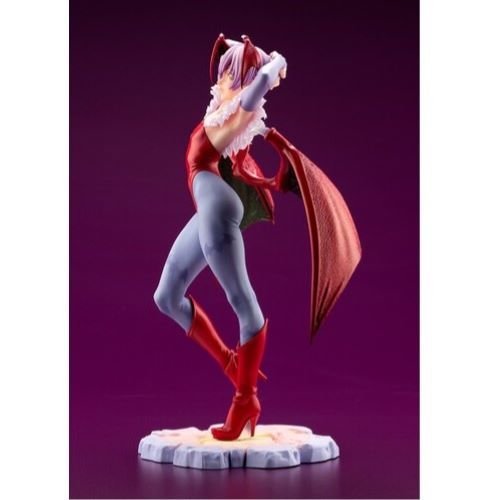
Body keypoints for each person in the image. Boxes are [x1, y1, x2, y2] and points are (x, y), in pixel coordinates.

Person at [153, 34, 288, 441]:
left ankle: (245, 399)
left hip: (216, 210)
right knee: (166, 296)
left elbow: (249, 105)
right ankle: (233, 364)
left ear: (242, 83)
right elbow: (238, 85)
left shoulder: (230, 123)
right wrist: (250, 56)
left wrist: (269, 69)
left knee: (243, 302)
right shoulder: (219, 116)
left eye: (230, 74)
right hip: (207, 209)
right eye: (223, 73)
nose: (221, 80)